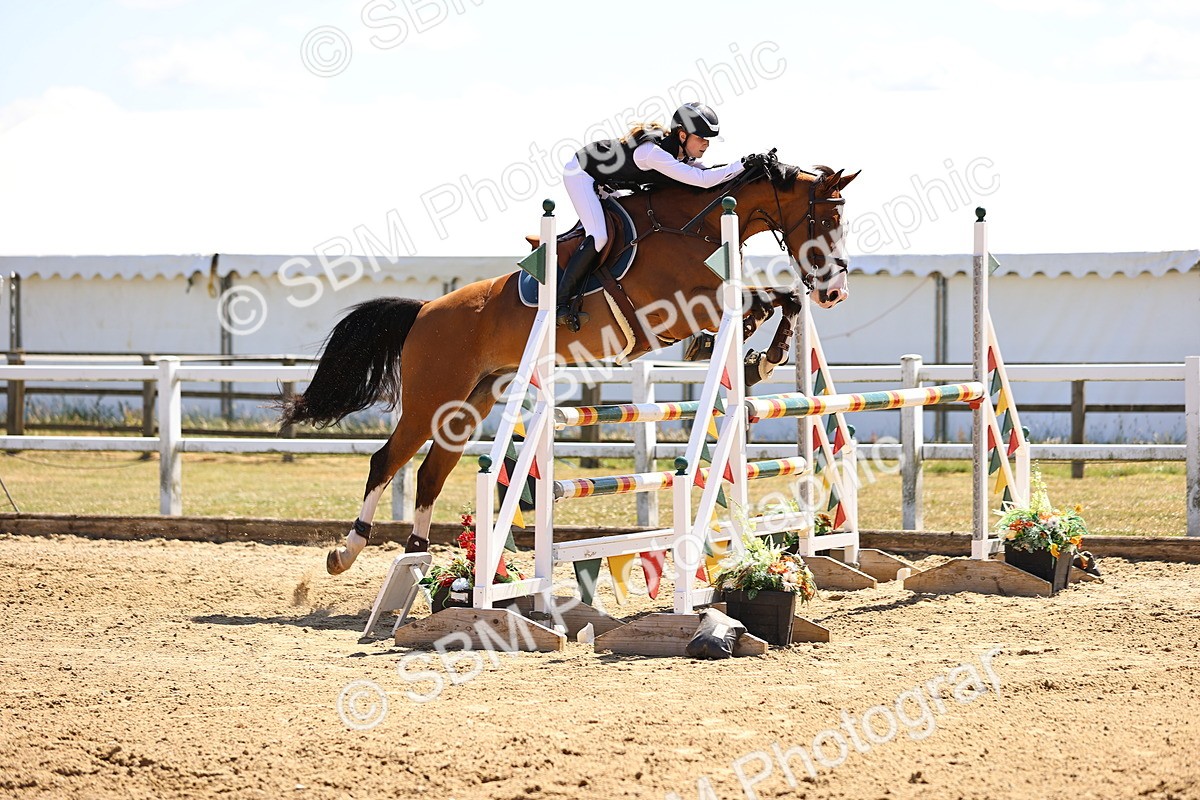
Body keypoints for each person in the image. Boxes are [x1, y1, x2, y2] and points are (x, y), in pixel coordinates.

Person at [557, 102, 749, 330]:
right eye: (702, 138)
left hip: (606, 182)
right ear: (682, 134)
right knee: (599, 236)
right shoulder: (653, 154)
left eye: (708, 140)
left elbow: (707, 173)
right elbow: (702, 180)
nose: (706, 144)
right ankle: (560, 304)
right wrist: (743, 164)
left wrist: (743, 170)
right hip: (582, 174)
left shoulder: (679, 152)